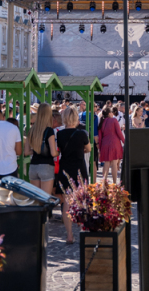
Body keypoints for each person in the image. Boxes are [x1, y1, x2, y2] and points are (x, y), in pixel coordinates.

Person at [56, 106, 91, 243]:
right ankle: (83, 230)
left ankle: (69, 235)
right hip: (79, 168)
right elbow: (88, 148)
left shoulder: (60, 134)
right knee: (82, 200)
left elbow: (59, 150)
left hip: (65, 168)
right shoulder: (82, 134)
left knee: (66, 202)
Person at [25, 103, 58, 195]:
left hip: (33, 166)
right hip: (46, 166)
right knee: (45, 198)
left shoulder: (31, 130)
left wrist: (36, 150)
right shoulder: (49, 130)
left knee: (36, 198)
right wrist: (58, 152)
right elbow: (53, 153)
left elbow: (26, 152)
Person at [99, 107, 124, 185]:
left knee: (106, 163)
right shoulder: (114, 120)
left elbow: (100, 137)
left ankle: (104, 184)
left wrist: (100, 148)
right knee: (114, 163)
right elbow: (119, 133)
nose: (113, 113)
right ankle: (114, 184)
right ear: (109, 113)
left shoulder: (101, 121)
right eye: (112, 112)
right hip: (114, 143)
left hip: (105, 143)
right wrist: (125, 141)